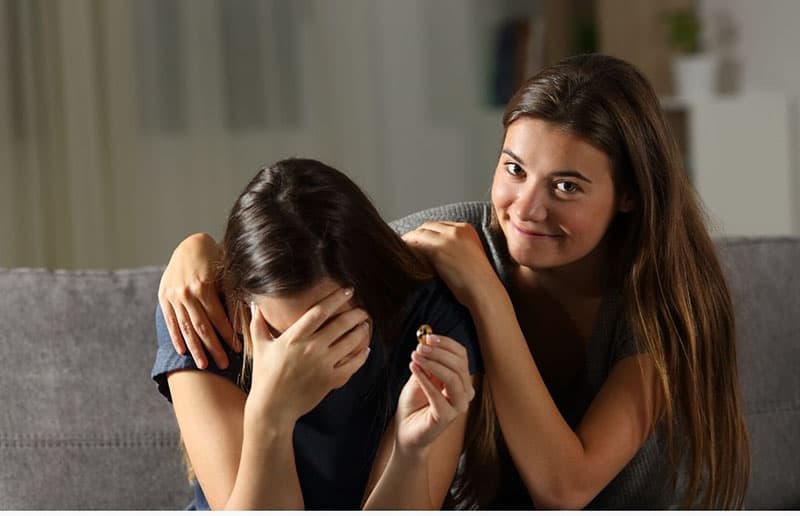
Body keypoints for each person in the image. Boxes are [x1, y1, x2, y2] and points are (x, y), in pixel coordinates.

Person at [158, 54, 750, 509]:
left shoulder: (668, 308)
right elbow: (316, 244)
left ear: (628, 196)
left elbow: (565, 490)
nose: (526, 209)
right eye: (514, 169)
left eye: (566, 186)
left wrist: (488, 297)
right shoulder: (453, 239)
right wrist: (200, 251)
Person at [151, 158, 481, 510]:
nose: (308, 356)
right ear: (243, 303)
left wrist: (409, 453)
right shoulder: (200, 313)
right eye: (285, 337)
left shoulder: (428, 317)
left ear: (373, 287)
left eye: (329, 326)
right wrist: (271, 414)